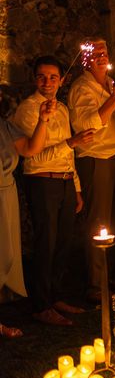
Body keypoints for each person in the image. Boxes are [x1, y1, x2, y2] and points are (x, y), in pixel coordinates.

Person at [13, 56, 95, 325]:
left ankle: (56, 295)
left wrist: (77, 187)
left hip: (65, 181)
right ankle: (40, 304)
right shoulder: (28, 109)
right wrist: (69, 141)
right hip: (42, 180)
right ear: (35, 79)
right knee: (45, 242)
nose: (47, 82)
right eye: (41, 76)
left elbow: (68, 155)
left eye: (52, 77)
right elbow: (32, 156)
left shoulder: (62, 108)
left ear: (61, 80)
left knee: (63, 242)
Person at [67, 38, 115, 302]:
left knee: (112, 221)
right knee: (98, 221)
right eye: (95, 54)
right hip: (95, 158)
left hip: (114, 156)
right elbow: (88, 125)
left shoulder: (110, 83)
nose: (101, 57)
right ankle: (95, 284)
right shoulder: (82, 88)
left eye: (104, 52)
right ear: (86, 59)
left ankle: (107, 275)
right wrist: (114, 100)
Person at [0, 94, 53, 335]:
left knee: (6, 252)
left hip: (5, 194)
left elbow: (31, 149)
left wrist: (43, 120)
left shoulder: (6, 126)